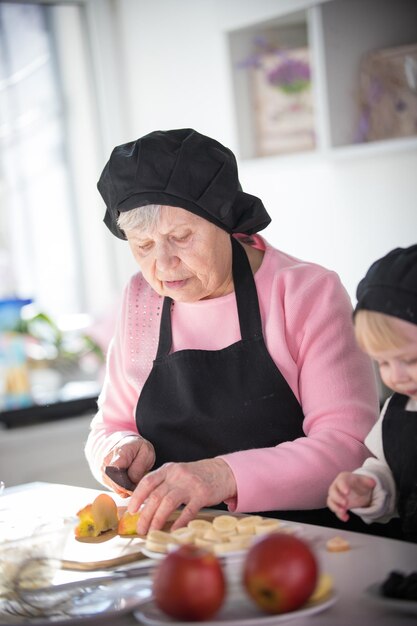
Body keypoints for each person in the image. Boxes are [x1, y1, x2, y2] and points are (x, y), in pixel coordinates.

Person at [85, 128, 379, 536]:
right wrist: (118, 451)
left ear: (222, 218)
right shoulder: (140, 299)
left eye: (181, 237)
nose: (164, 265)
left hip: (303, 543)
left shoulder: (306, 293)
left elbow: (350, 449)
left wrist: (220, 476)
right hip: (175, 547)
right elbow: (108, 425)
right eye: (143, 245)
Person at [327, 244, 417, 542]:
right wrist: (368, 485)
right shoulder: (397, 411)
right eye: (383, 363)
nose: (396, 376)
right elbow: (390, 473)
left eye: (410, 360)